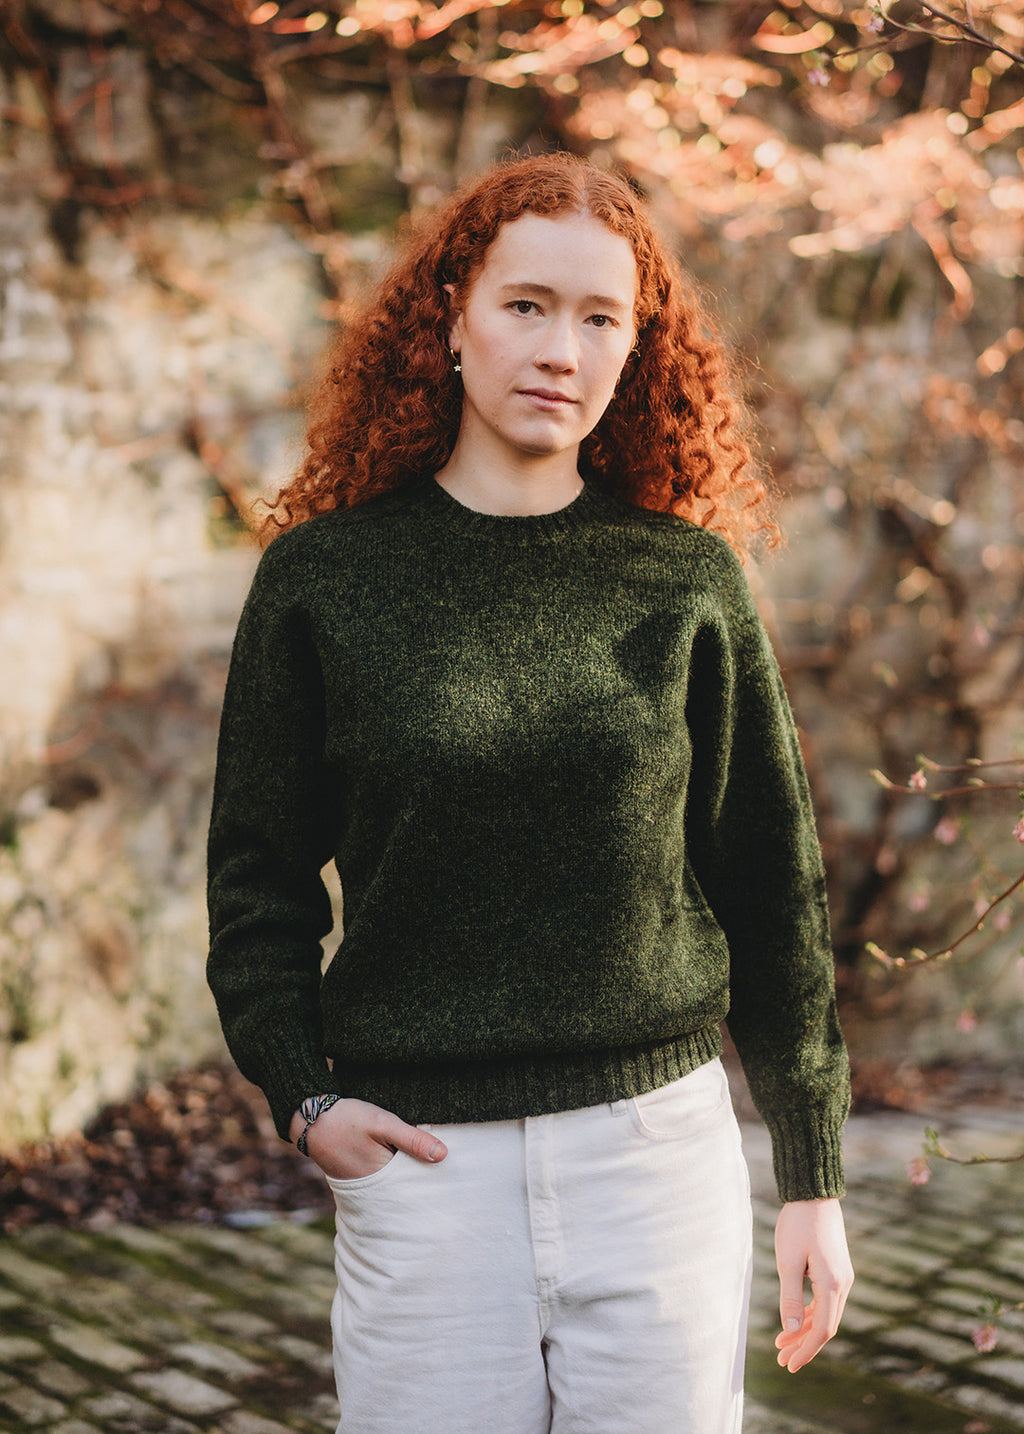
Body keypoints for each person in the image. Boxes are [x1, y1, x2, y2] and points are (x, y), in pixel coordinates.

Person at [206, 150, 853, 1434]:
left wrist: (812, 1177)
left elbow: (771, 887)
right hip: (424, 1170)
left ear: (633, 351)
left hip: (655, 1164)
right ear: (450, 315)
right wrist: (304, 1095)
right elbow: (256, 881)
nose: (562, 347)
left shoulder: (682, 584)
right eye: (526, 305)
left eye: (600, 317)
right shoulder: (323, 583)